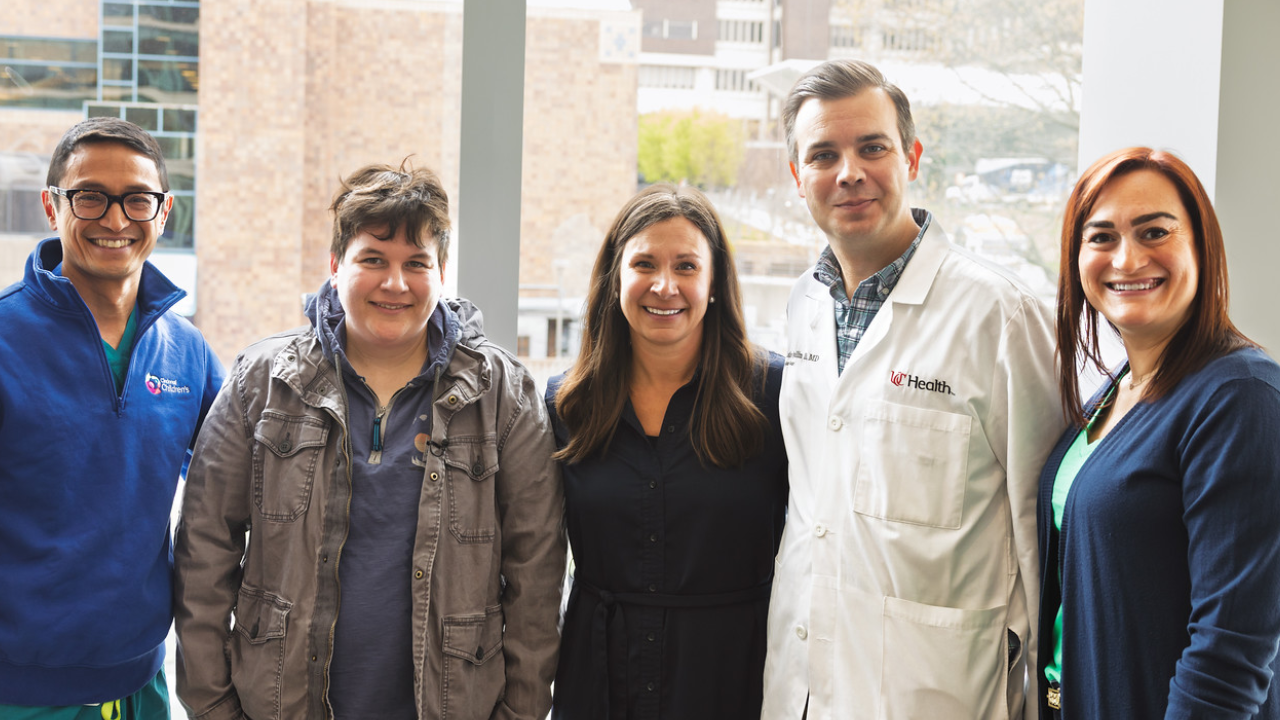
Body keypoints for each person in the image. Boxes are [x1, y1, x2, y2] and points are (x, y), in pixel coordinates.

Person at [173, 161, 566, 719]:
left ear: (442, 271)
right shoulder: (260, 383)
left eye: (416, 263)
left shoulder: (503, 394)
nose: (395, 283)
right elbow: (203, 556)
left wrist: (520, 712)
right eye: (373, 260)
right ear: (336, 265)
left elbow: (538, 577)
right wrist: (214, 708)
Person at [761, 59, 1063, 719]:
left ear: (912, 157)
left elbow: (1043, 533)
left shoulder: (999, 316)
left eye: (873, 147)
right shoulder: (802, 308)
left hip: (944, 694)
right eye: (822, 155)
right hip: (804, 688)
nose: (849, 173)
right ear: (796, 177)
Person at [1038, 147, 1280, 719]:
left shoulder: (1240, 397)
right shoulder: (1116, 387)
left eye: (1154, 232)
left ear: (1201, 245)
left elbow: (1230, 648)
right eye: (1100, 237)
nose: (1127, 258)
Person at [0, 118, 224, 717]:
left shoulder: (187, 351)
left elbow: (252, 475)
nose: (116, 219)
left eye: (137, 199)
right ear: (53, 206)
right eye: (89, 196)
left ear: (165, 211)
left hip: (142, 683)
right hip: (19, 694)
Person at [546, 184, 788, 719]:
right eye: (645, 264)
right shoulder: (567, 404)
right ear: (614, 280)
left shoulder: (774, 394)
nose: (664, 286)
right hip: (598, 679)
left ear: (715, 283)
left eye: (685, 266)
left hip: (731, 678)